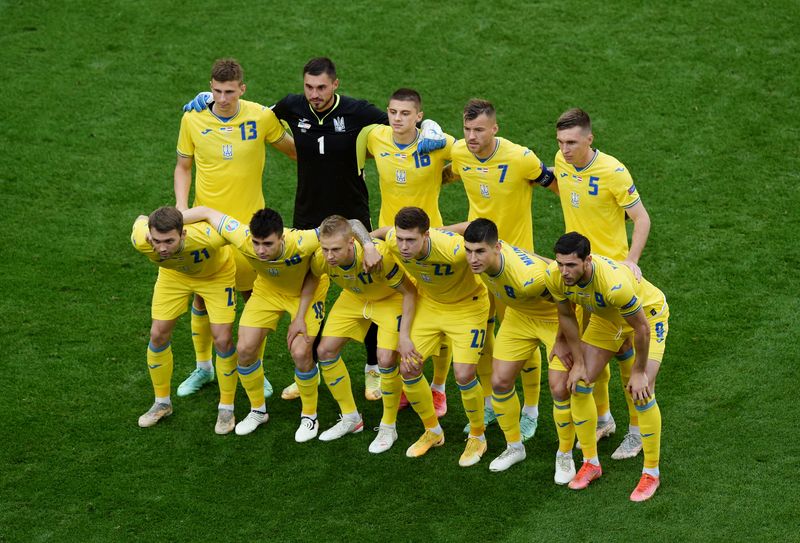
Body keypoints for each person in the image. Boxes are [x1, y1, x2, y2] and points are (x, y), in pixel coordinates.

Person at [184, 58, 446, 402]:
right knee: (311, 287)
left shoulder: (358, 112)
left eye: (322, 87)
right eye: (309, 87)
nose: (315, 94)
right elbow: (254, 113)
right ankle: (308, 368)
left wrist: (432, 129)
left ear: (335, 84)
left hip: (353, 212)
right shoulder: (293, 106)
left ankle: (371, 369)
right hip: (308, 214)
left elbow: (404, 123)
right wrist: (212, 100)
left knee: (371, 284)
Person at [182, 206, 378, 437]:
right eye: (256, 243)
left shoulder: (302, 240)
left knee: (301, 352)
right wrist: (163, 223)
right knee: (244, 350)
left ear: (282, 238)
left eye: (268, 244)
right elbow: (206, 212)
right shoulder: (242, 237)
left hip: (306, 294)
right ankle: (257, 411)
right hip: (267, 291)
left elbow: (352, 221)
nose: (260, 250)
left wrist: (368, 245)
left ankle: (309, 417)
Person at [174, 58, 296, 399]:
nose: (223, 98)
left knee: (253, 299)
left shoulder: (260, 117)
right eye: (216, 91)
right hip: (205, 227)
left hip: (247, 229)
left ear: (242, 89)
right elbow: (183, 167)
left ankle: (254, 369)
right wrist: (183, 209)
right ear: (209, 88)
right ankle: (203, 368)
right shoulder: (193, 118)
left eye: (229, 91)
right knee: (201, 297)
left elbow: (295, 153)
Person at [447, 99, 558, 438]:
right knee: (483, 331)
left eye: (478, 130)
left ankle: (531, 409)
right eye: (466, 130)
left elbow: (557, 186)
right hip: (478, 259)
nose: (471, 137)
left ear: (495, 128)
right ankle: (494, 401)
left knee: (522, 336)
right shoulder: (460, 153)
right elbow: (447, 172)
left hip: (515, 266)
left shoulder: (520, 158)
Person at [554, 108, 652, 459]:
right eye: (561, 142)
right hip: (578, 275)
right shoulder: (561, 162)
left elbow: (641, 219)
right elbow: (563, 186)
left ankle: (637, 431)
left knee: (627, 353)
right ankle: (604, 419)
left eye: (572, 142)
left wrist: (631, 262)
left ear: (590, 139)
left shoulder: (613, 171)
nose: (565, 149)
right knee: (588, 347)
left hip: (610, 279)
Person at [545, 232, 669, 502]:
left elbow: (641, 329)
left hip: (648, 316)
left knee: (642, 392)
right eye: (560, 264)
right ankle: (591, 463)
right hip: (607, 319)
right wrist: (577, 361)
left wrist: (638, 372)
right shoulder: (555, 276)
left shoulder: (614, 284)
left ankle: (651, 473)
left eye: (571, 266)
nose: (564, 272)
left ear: (587, 261)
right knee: (578, 383)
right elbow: (566, 314)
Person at [458, 219, 575, 481]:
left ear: (497, 248)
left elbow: (565, 292)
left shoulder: (526, 280)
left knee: (559, 387)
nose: (472, 259)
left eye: (480, 252)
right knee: (499, 382)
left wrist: (563, 338)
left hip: (553, 320)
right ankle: (514, 447)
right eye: (468, 250)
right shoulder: (489, 257)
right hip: (519, 317)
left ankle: (565, 455)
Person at [374, 207, 490, 467]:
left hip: (467, 307)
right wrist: (368, 245)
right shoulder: (394, 238)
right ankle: (433, 431)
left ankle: (478, 436)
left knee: (463, 374)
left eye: (410, 240)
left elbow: (483, 234)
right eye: (400, 239)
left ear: (426, 235)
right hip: (430, 305)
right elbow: (374, 232)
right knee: (408, 367)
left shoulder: (453, 249)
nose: (403, 246)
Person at [366, 87, 456, 417]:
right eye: (393, 112)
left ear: (419, 115)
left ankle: (439, 388)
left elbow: (468, 157)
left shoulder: (438, 143)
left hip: (430, 242)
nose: (398, 119)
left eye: (406, 113)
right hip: (390, 241)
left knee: (439, 310)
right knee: (403, 305)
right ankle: (409, 380)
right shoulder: (376, 137)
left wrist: (436, 135)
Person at [305, 215, 419, 452]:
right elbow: (311, 276)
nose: (329, 256)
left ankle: (389, 427)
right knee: (325, 351)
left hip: (390, 299)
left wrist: (405, 336)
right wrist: (298, 317)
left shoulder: (380, 257)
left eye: (335, 249)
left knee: (386, 359)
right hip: (355, 298)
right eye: (325, 249)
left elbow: (409, 293)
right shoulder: (322, 259)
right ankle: (351, 418)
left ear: (351, 244)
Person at [130, 207, 240, 434]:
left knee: (223, 339)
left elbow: (239, 232)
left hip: (216, 276)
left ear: (184, 235)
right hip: (175, 277)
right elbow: (141, 219)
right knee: (157, 334)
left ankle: (226, 407)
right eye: (157, 240)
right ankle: (162, 403)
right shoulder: (142, 240)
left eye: (169, 241)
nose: (161, 248)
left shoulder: (207, 236)